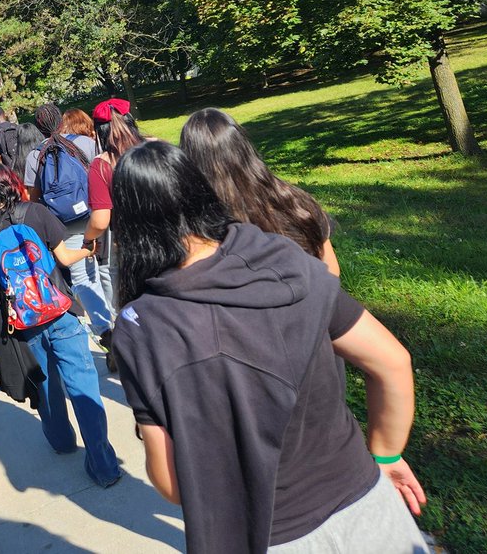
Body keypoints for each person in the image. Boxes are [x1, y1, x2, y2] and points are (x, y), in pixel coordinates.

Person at [110, 141, 427, 554]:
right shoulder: (285, 259)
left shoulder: (142, 329)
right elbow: (392, 361)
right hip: (369, 509)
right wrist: (385, 458)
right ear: (199, 190)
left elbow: (174, 486)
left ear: (132, 226)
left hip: (270, 537)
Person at [0, 164, 120, 488]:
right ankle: (104, 466)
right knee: (83, 388)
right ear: (13, 184)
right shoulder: (37, 213)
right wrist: (88, 249)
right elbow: (65, 259)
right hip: (61, 314)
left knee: (46, 386)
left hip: (26, 325)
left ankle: (61, 441)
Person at [180, 107, 341, 275]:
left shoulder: (195, 224)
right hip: (314, 296)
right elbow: (331, 271)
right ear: (243, 147)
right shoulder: (295, 201)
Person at [25, 104, 114, 358]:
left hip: (63, 225)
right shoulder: (85, 144)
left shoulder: (35, 155)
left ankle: (106, 329)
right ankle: (121, 321)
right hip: (95, 214)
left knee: (83, 278)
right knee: (106, 269)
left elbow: (34, 198)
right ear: (61, 123)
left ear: (39, 128)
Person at [82, 98, 145, 327]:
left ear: (99, 131)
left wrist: (87, 239)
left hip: (126, 246)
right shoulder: (157, 147)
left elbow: (100, 220)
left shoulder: (101, 165)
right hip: (167, 238)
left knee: (127, 311)